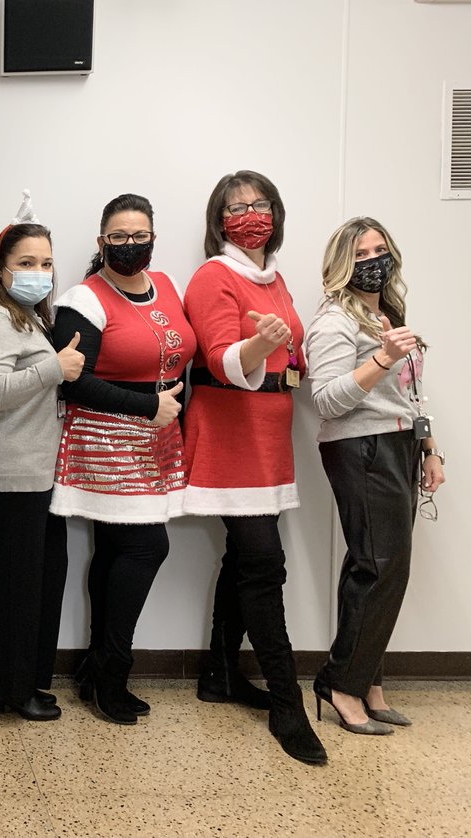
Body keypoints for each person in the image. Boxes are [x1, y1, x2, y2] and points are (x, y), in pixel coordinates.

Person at [182, 170, 327, 765]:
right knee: (266, 564)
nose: (250, 214)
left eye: (260, 203)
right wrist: (261, 348)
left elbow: (290, 351)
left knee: (245, 559)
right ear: (219, 221)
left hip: (270, 435)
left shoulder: (276, 279)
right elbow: (219, 358)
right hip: (229, 436)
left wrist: (296, 357)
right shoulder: (213, 276)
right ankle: (287, 701)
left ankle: (218, 673)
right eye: (236, 206)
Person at [50, 194, 195, 725]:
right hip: (107, 439)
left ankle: (96, 669)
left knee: (115, 551)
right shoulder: (83, 299)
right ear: (101, 242)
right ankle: (112, 672)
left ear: (153, 236)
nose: (130, 245)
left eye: (139, 235)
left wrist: (172, 413)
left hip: (158, 437)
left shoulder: (170, 288)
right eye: (119, 237)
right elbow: (75, 382)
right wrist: (147, 406)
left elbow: (186, 354)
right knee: (145, 546)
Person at [305, 217, 445, 734]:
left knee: (380, 569)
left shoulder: (386, 312)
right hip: (361, 447)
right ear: (342, 263)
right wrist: (383, 358)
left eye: (379, 249)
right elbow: (326, 400)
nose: (373, 260)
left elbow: (411, 395)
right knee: (379, 567)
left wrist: (430, 447)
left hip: (400, 444)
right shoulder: (334, 321)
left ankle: (367, 680)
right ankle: (342, 685)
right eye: (360, 252)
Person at [0, 194, 83, 722]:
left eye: (46, 263)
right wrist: (55, 368)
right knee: (17, 585)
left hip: (32, 472)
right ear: (1, 268)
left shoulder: (28, 318)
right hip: (7, 473)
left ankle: (19, 677)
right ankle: (13, 692)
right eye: (26, 263)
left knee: (36, 578)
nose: (39, 272)